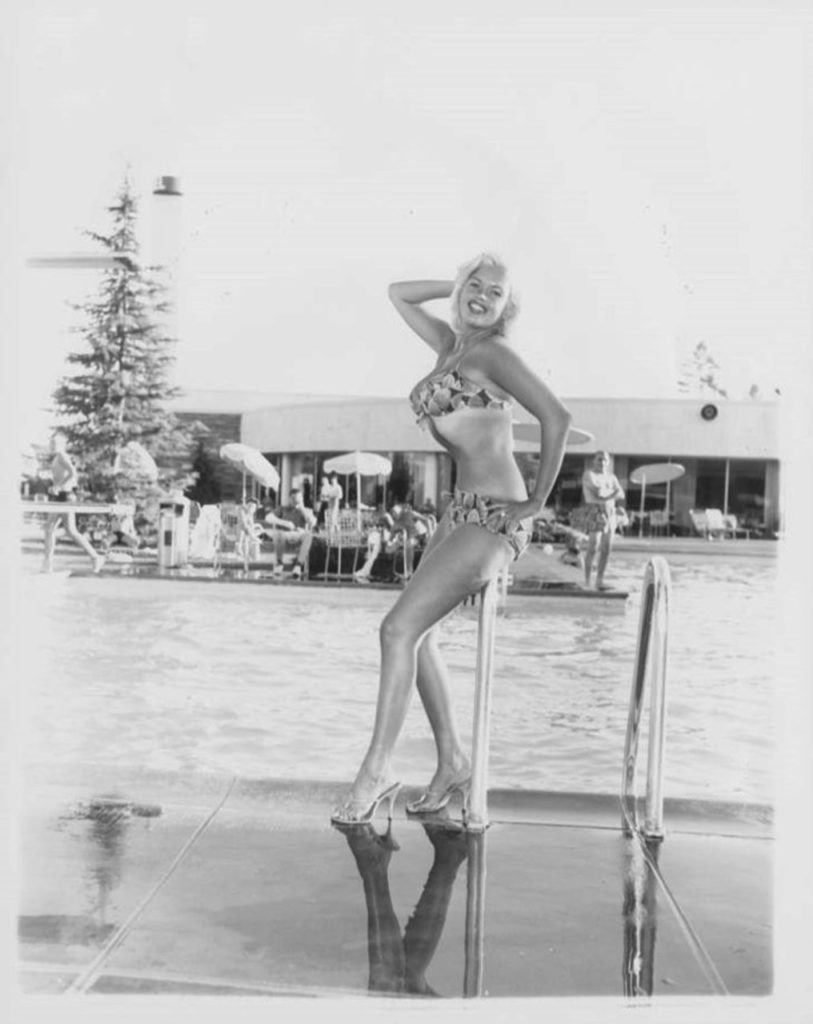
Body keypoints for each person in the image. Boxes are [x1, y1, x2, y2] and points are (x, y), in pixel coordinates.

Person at [331, 253, 572, 824]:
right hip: (461, 509)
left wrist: (535, 503)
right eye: (474, 286)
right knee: (419, 639)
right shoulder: (450, 345)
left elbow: (557, 417)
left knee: (397, 629)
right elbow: (397, 291)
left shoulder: (493, 353)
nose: (482, 297)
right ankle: (453, 762)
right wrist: (457, 285)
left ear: (507, 307)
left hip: (494, 516)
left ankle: (376, 770)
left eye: (495, 293)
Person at [41, 433, 105, 573]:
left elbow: (73, 473)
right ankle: (48, 564)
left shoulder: (62, 456)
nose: (52, 445)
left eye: (55, 443)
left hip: (65, 497)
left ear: (62, 445)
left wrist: (58, 487)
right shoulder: (57, 457)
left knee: (62, 530)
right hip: (60, 497)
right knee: (53, 529)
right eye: (51, 443)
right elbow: (62, 475)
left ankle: (95, 557)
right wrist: (54, 486)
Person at [572, 450, 625, 590]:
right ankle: (587, 580)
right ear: (594, 461)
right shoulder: (589, 474)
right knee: (593, 547)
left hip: (610, 512)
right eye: (599, 459)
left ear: (608, 462)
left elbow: (621, 494)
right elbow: (598, 493)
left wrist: (608, 494)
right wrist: (612, 493)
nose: (602, 462)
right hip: (595, 510)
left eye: (604, 460)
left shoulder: (611, 477)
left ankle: (600, 580)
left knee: (607, 548)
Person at [263, 488, 316, 579]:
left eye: (298, 498)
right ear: (290, 499)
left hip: (299, 535)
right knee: (279, 534)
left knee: (308, 536)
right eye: (293, 498)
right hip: (285, 535)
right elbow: (268, 518)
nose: (295, 501)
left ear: (302, 498)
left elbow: (312, 522)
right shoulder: (283, 509)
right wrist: (285, 523)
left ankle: (298, 566)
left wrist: (302, 509)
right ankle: (279, 563)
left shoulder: (307, 510)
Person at [354, 505, 395, 584]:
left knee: (372, 555)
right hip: (378, 538)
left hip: (379, 538)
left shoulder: (383, 516)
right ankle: (364, 572)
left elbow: (389, 527)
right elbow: (390, 527)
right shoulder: (383, 516)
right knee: (372, 555)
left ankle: (366, 572)